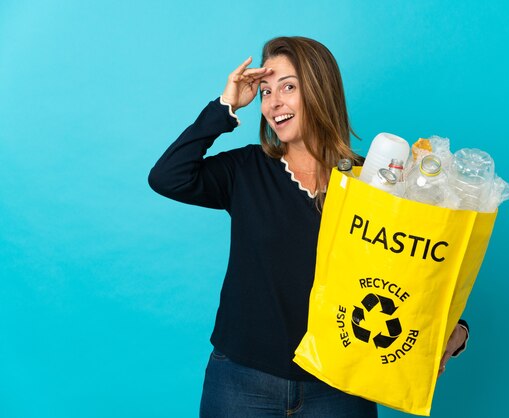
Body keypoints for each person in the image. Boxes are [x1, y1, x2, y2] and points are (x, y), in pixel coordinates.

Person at [148, 36, 469, 418]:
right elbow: (168, 177)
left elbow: (414, 273)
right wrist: (226, 106)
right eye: (266, 91)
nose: (273, 103)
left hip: (339, 385)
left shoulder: (377, 181)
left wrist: (457, 331)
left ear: (320, 90)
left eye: (288, 87)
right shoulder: (246, 170)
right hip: (241, 382)